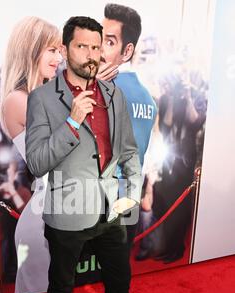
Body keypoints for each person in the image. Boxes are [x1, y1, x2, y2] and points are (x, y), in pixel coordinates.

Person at [26, 16, 151, 293]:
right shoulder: (43, 99)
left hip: (110, 209)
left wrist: (130, 194)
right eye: (83, 47)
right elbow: (36, 163)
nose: (92, 55)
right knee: (61, 285)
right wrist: (72, 123)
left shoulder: (115, 94)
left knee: (120, 278)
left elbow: (129, 150)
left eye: (97, 47)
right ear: (65, 50)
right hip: (66, 211)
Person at [0, 17, 63, 293]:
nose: (58, 57)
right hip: (42, 221)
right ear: (30, 50)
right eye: (51, 50)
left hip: (61, 208)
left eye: (59, 50)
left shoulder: (43, 95)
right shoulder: (17, 100)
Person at [98, 3, 158, 248]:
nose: (98, 50)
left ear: (127, 50)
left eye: (109, 42)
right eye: (98, 39)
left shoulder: (103, 93)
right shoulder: (149, 100)